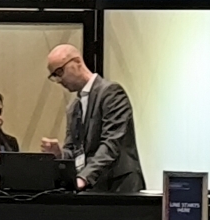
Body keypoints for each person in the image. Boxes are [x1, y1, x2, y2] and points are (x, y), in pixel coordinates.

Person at [40, 45, 144, 194]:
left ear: (77, 62)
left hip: (118, 188)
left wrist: (84, 178)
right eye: (54, 76)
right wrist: (59, 154)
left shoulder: (111, 93)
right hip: (91, 189)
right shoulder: (73, 107)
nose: (59, 80)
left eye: (60, 71)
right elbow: (74, 150)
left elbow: (112, 143)